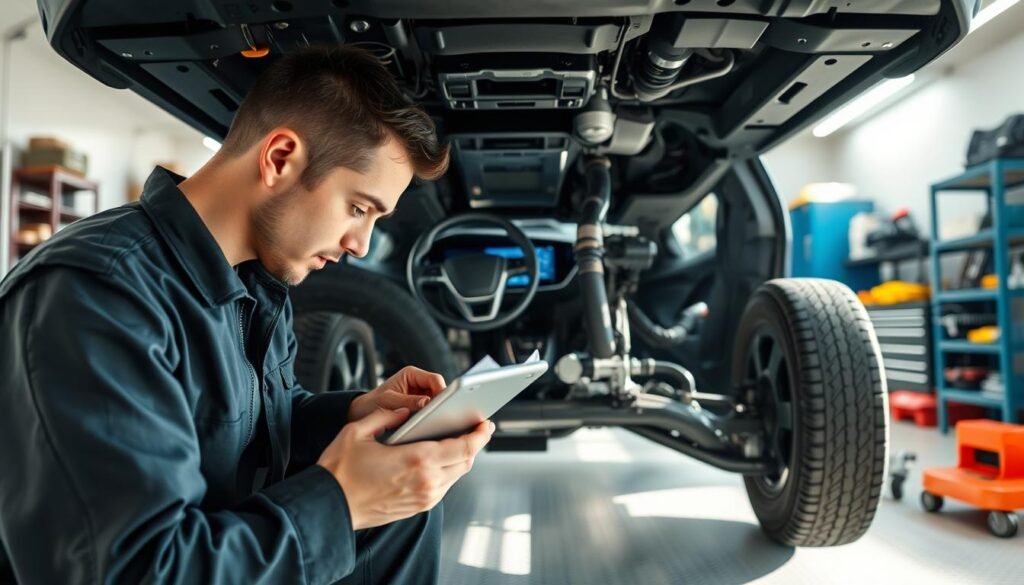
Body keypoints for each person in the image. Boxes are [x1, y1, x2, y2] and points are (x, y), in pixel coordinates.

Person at [0, 45, 492, 584]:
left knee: (405, 498)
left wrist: (355, 413)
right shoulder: (96, 295)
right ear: (280, 158)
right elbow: (133, 569)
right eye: (358, 208)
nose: (360, 243)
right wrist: (343, 501)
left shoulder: (255, 280)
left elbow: (249, 422)